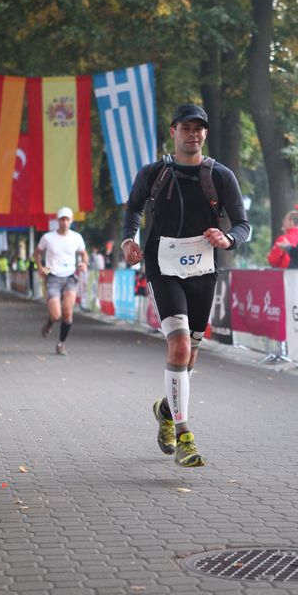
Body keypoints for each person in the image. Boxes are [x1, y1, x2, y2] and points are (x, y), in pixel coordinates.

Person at [121, 103, 250, 468]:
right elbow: (133, 208)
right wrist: (128, 240)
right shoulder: (154, 173)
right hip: (163, 266)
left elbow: (242, 224)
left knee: (189, 356)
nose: (193, 134)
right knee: (178, 345)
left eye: (199, 128)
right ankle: (184, 435)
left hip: (203, 271)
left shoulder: (220, 176)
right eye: (186, 128)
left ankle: (165, 409)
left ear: (205, 134)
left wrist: (228, 238)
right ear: (173, 132)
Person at [34, 206, 89, 356]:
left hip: (70, 277)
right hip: (53, 277)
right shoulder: (48, 237)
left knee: (67, 311)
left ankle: (61, 344)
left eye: (67, 219)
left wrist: (84, 263)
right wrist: (40, 267)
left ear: (71, 221)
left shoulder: (76, 237)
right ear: (57, 221)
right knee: (56, 314)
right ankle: (50, 322)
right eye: (62, 219)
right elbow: (37, 253)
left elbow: (84, 253)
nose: (64, 222)